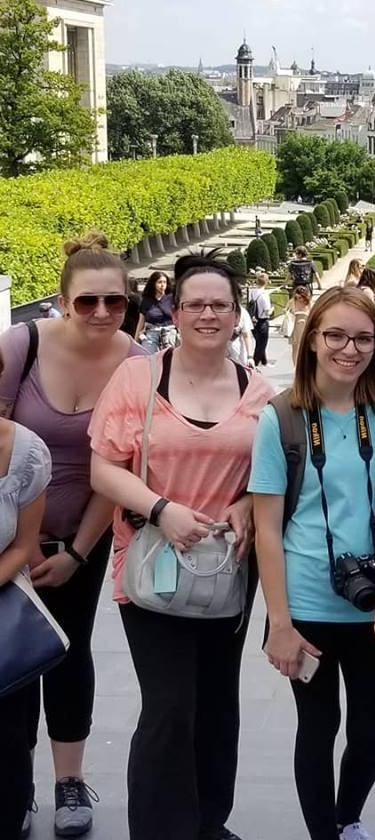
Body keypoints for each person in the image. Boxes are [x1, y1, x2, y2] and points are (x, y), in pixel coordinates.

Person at [89, 252, 274, 840]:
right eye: (195, 303)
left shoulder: (259, 391)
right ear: (176, 307)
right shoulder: (139, 377)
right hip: (151, 562)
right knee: (169, 708)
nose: (207, 314)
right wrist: (161, 509)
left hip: (225, 569)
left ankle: (206, 822)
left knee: (219, 704)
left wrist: (247, 500)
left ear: (235, 311)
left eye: (220, 304)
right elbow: (103, 469)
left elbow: (273, 476)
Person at [0, 232, 144, 839]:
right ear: (61, 301)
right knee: (10, 661)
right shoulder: (22, 346)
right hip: (10, 533)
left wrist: (81, 551)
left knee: (68, 650)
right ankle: (13, 789)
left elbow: (118, 468)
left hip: (82, 535)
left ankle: (68, 782)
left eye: (115, 301)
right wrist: (21, 547)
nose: (102, 314)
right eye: (88, 302)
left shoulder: (136, 362)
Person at [250, 287, 375, 840]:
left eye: (362, 338)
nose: (349, 349)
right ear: (312, 340)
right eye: (335, 335)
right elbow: (267, 528)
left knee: (370, 732)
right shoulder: (282, 419)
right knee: (317, 726)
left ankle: (347, 816)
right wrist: (279, 624)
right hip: (306, 604)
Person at [0, 350, 52, 839]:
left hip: (2, 614)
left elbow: (25, 545)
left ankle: (15, 810)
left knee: (10, 735)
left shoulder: (26, 452)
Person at [135, 271, 176, 354]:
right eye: (159, 282)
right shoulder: (146, 300)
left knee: (169, 358)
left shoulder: (171, 298)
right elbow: (141, 321)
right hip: (152, 333)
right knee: (150, 359)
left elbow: (179, 318)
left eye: (164, 282)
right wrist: (135, 340)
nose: (162, 285)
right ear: (154, 283)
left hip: (169, 332)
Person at [248, 272, 273, 367]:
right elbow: (267, 311)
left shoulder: (252, 292)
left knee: (259, 342)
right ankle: (254, 363)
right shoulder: (264, 295)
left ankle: (264, 361)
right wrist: (272, 310)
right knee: (261, 344)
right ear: (266, 282)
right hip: (262, 321)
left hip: (253, 320)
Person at [284, 286, 312, 363]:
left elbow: (312, 313)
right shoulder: (292, 301)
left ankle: (303, 366)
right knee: (295, 348)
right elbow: (285, 310)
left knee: (304, 348)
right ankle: (295, 366)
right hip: (294, 326)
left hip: (305, 326)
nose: (300, 298)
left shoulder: (309, 303)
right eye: (298, 296)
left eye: (301, 297)